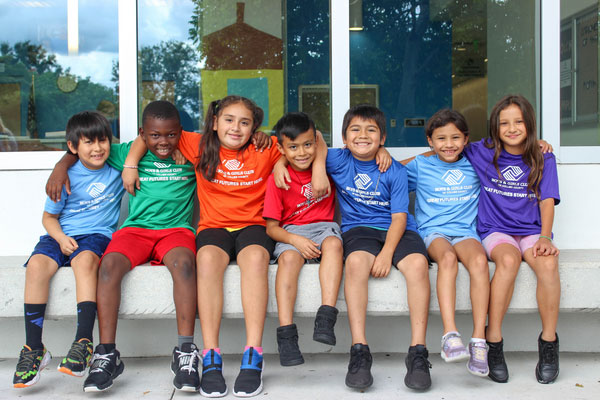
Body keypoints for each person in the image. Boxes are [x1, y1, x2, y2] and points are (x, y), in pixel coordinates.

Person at [121, 95, 307, 398]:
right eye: (229, 120)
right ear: (216, 122)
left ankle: (253, 355)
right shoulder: (197, 144)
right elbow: (148, 135)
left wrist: (284, 161)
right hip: (214, 227)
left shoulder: (265, 147)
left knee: (257, 260)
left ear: (254, 128)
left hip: (253, 226)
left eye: (245, 123)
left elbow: (314, 141)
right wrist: (130, 164)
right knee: (205, 260)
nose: (236, 128)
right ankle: (210, 356)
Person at [46, 101, 200, 393]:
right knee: (109, 266)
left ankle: (185, 351)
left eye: (171, 135)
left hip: (176, 230)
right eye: (155, 136)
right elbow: (80, 151)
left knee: (184, 264)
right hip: (136, 230)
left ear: (181, 133)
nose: (163, 142)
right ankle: (106, 354)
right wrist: (60, 167)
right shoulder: (127, 152)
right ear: (143, 134)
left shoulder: (190, 153)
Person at [321, 104, 432, 391]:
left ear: (382, 138)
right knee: (356, 263)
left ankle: (418, 352)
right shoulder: (337, 160)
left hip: (398, 228)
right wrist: (318, 170)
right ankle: (359, 350)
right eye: (355, 130)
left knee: (418, 264)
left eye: (371, 130)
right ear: (344, 138)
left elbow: (399, 217)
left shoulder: (394, 170)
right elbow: (315, 138)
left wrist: (386, 254)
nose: (362, 135)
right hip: (358, 229)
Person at [13, 111, 124, 388]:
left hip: (96, 235)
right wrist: (61, 238)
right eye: (88, 142)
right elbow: (48, 218)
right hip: (61, 234)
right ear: (74, 147)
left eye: (102, 141)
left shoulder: (117, 167)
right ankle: (33, 349)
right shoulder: (65, 177)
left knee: (85, 261)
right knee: (37, 266)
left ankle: (83, 341)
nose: (97, 148)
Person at [462, 95, 561, 384]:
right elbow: (446, 148)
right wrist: (386, 158)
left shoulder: (543, 157)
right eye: (504, 123)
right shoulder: (482, 151)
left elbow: (547, 200)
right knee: (508, 260)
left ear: (530, 124)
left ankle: (549, 343)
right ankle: (494, 342)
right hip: (496, 228)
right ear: (495, 127)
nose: (512, 128)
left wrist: (544, 236)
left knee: (548, 264)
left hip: (532, 230)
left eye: (519, 121)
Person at [403, 109, 490, 377]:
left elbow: (512, 147)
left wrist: (540, 145)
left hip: (465, 231)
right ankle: (450, 334)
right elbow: (389, 174)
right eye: (441, 138)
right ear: (430, 140)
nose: (448, 144)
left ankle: (478, 340)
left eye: (455, 138)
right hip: (433, 232)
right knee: (448, 259)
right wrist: (385, 154)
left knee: (478, 261)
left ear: (466, 140)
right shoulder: (421, 164)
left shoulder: (476, 164)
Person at [262, 112, 343, 367]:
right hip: (291, 231)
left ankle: (327, 316)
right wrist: (295, 241)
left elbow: (319, 136)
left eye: (307, 145)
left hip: (324, 229)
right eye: (293, 147)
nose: (302, 153)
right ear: (281, 149)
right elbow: (272, 229)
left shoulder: (327, 166)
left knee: (334, 244)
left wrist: (319, 165)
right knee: (287, 260)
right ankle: (286, 334)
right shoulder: (278, 179)